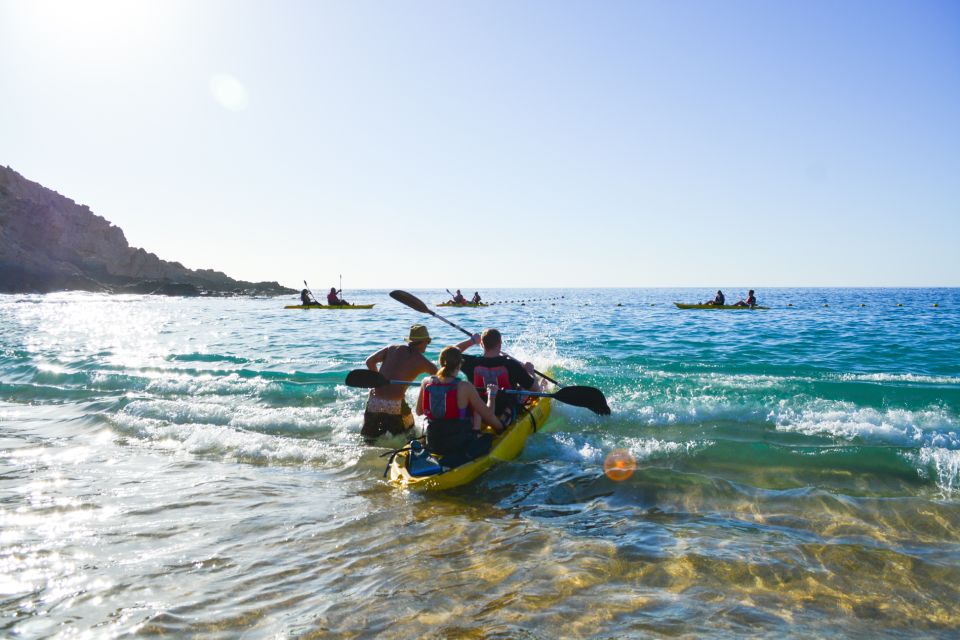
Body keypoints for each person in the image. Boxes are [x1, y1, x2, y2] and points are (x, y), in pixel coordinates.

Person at [417, 346, 503, 469]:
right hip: (458, 444)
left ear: (441, 362)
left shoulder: (426, 382)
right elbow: (488, 414)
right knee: (477, 413)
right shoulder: (465, 386)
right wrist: (492, 395)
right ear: (459, 364)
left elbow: (419, 411)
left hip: (433, 442)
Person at [360, 324, 438, 443]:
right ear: (423, 342)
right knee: (410, 434)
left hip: (374, 401)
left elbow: (370, 361)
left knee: (369, 439)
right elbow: (440, 376)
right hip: (395, 405)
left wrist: (377, 381)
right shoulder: (422, 361)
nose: (427, 345)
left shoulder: (392, 348)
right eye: (427, 342)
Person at [459, 328, 540, 425]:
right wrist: (530, 372)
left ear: (482, 344)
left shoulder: (470, 362)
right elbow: (536, 390)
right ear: (500, 343)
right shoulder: (511, 365)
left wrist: (471, 341)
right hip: (505, 409)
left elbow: (448, 354)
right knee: (535, 386)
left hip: (481, 409)